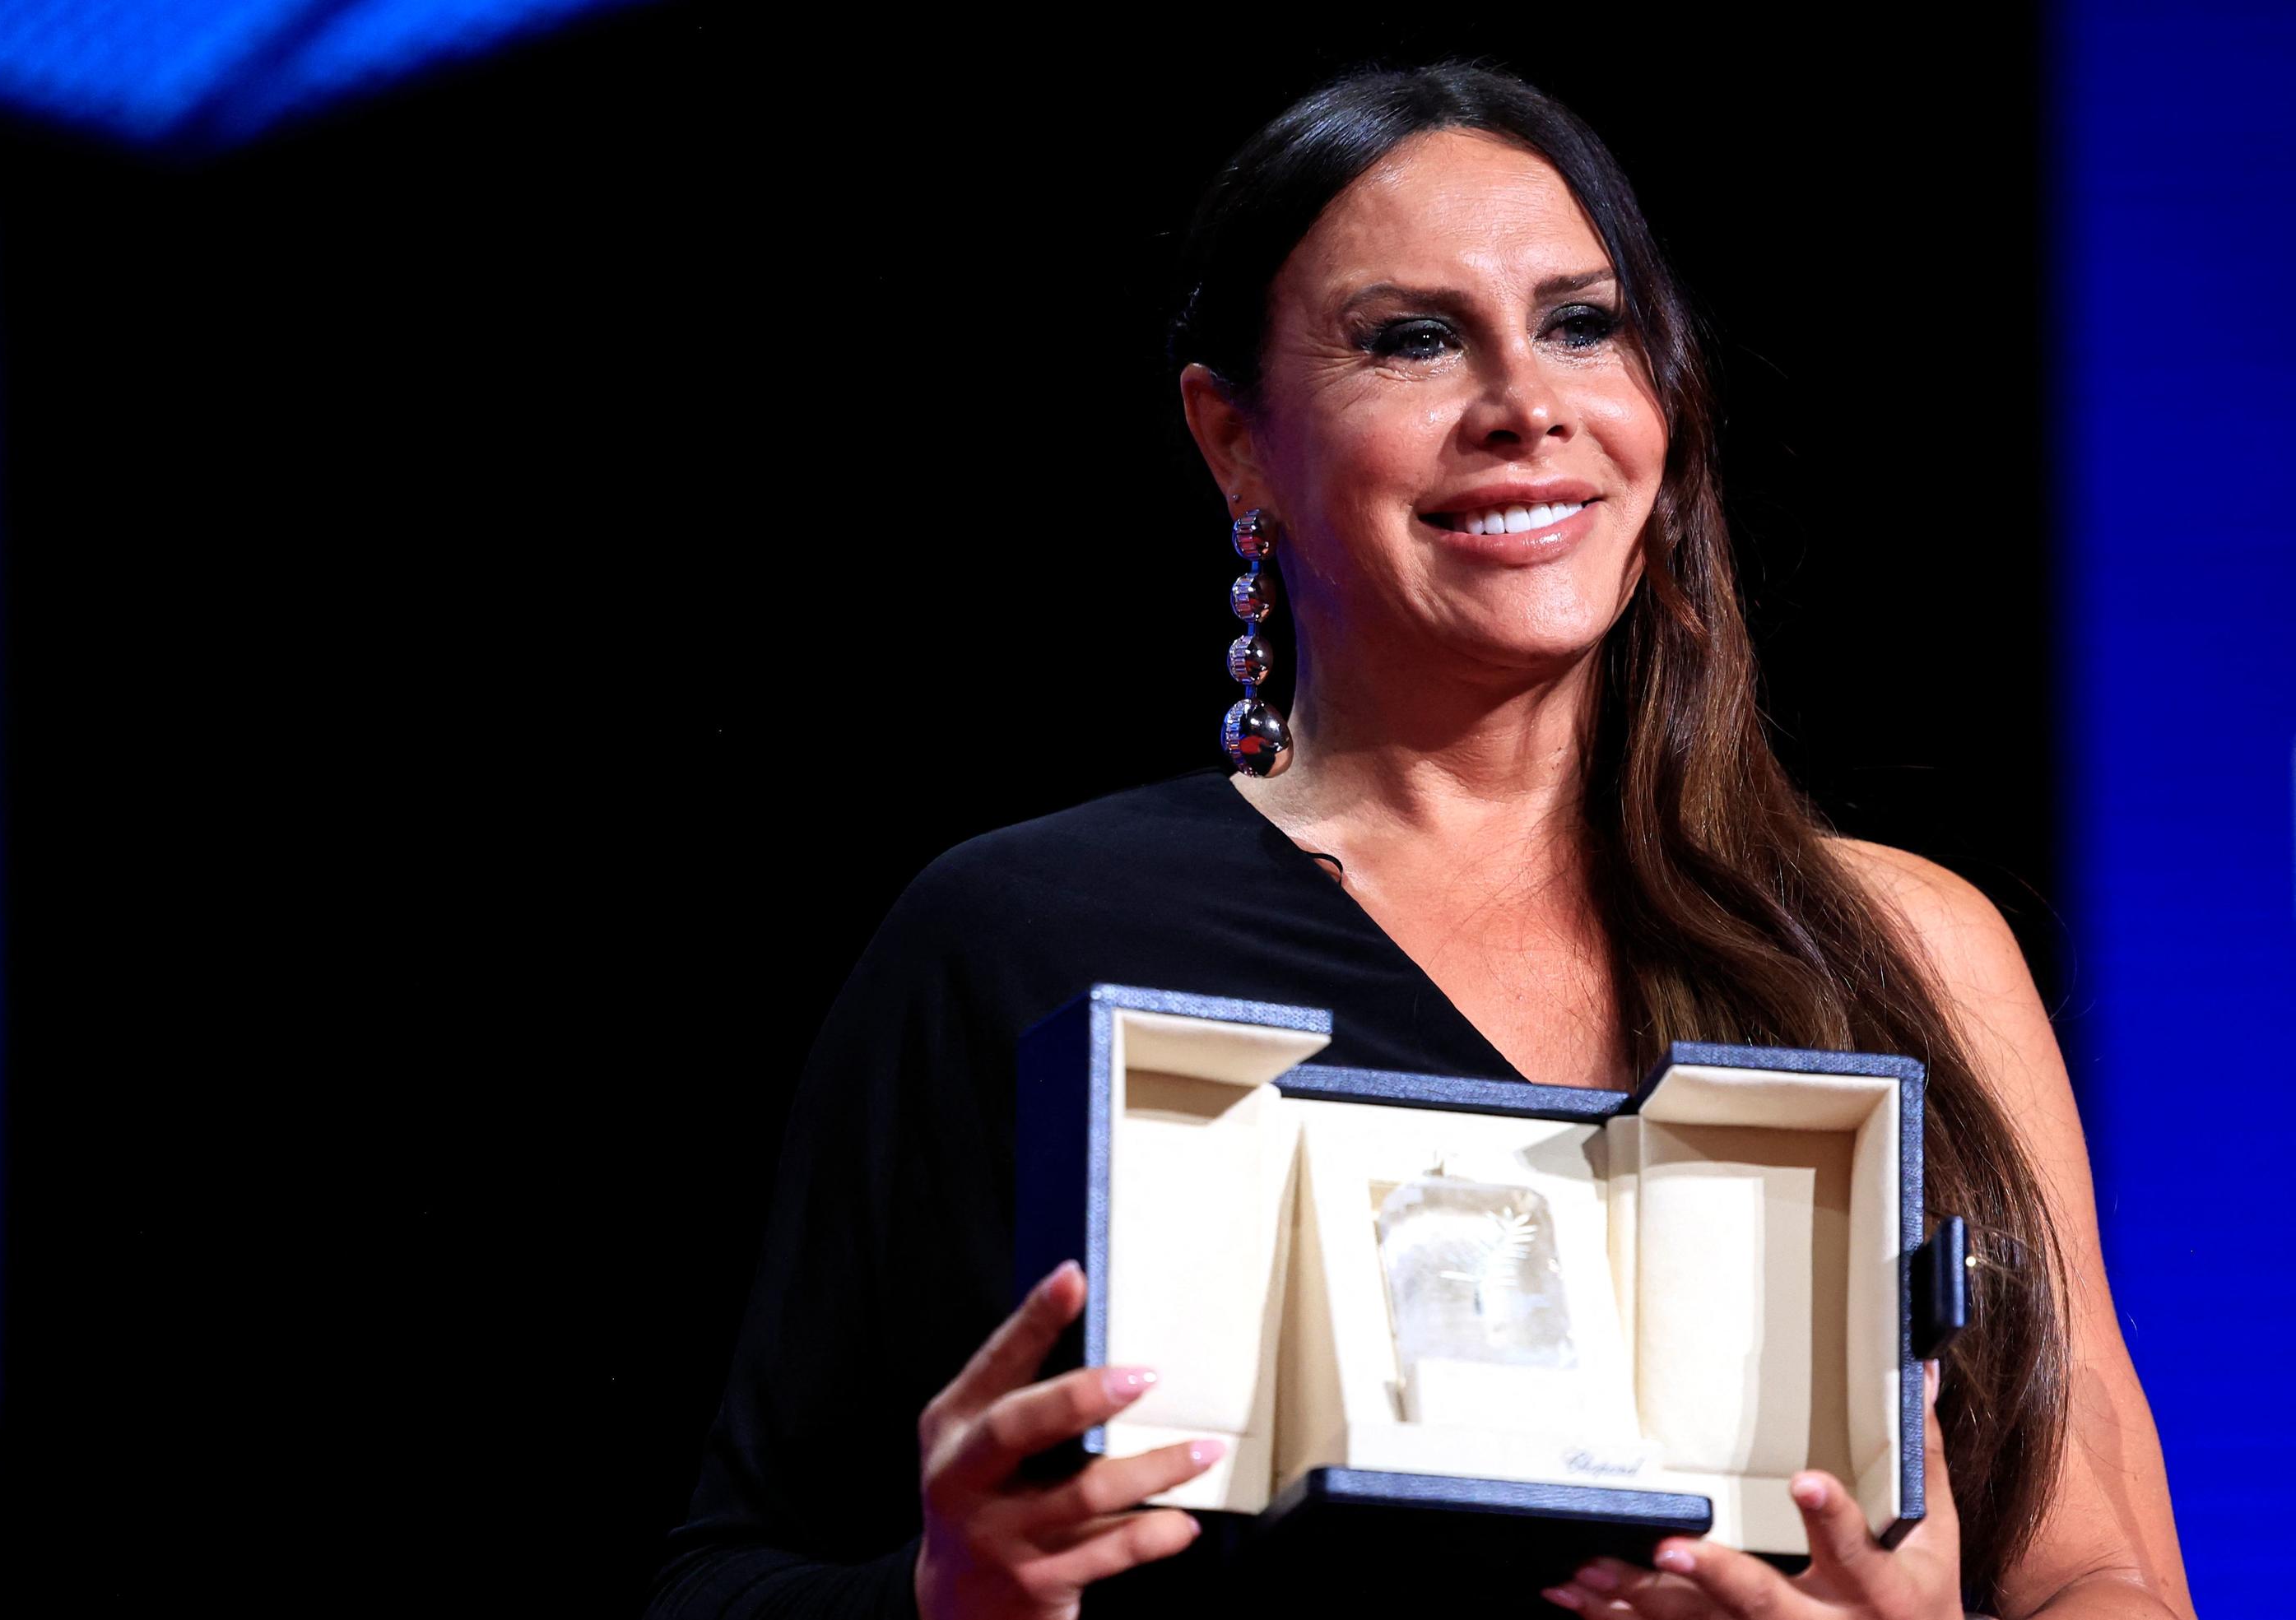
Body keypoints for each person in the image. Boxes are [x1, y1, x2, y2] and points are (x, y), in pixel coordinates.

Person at [648, 61, 2192, 1620]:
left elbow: (2107, 1574)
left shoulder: (1902, 943)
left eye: (1585, 325)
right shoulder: (1024, 939)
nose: (1528, 403)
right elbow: (725, 1581)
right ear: (1234, 442)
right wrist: (952, 1598)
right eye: (1414, 340)